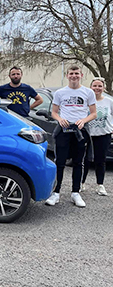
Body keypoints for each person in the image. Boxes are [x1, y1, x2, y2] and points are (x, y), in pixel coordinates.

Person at [45, 65, 97, 208]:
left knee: (78, 162)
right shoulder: (60, 93)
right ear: (67, 75)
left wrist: (83, 120)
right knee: (60, 162)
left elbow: (94, 113)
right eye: (71, 73)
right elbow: (54, 112)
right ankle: (56, 193)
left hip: (80, 131)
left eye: (77, 73)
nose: (74, 76)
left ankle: (75, 192)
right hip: (64, 130)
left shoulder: (88, 92)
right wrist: (59, 119)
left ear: (81, 75)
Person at [82, 77, 113, 196]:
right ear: (91, 87)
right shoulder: (86, 101)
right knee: (84, 160)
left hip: (103, 135)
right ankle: (81, 183)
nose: (97, 88)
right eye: (95, 86)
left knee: (101, 160)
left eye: (100, 86)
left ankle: (100, 185)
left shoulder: (109, 102)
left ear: (104, 88)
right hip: (88, 135)